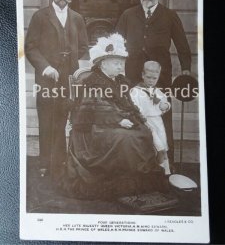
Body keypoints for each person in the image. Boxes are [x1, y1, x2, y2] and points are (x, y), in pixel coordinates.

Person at [61, 33, 167, 200]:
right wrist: (118, 120)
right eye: (117, 64)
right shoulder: (91, 81)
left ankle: (135, 180)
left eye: (122, 64)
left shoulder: (121, 81)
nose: (120, 67)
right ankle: (119, 181)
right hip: (93, 127)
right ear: (103, 64)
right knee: (124, 137)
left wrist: (138, 118)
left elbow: (129, 104)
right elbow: (90, 110)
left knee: (143, 131)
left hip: (115, 122)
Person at [115, 0, 192, 164]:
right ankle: (137, 161)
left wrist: (186, 69)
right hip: (133, 74)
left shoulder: (169, 15)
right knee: (135, 113)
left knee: (161, 114)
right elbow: (116, 41)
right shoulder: (128, 14)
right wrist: (116, 69)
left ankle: (166, 162)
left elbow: (182, 44)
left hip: (160, 76)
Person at [25, 0, 88, 179]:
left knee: (62, 119)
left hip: (68, 79)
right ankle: (45, 163)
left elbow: (84, 47)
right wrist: (47, 67)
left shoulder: (77, 18)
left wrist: (69, 66)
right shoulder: (40, 16)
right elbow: (30, 47)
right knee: (46, 118)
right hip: (46, 79)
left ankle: (60, 162)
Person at [130, 61, 171, 175]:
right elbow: (134, 108)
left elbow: (165, 102)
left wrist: (165, 106)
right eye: (148, 77)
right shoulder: (135, 91)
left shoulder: (157, 91)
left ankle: (166, 172)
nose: (151, 81)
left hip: (158, 122)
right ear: (143, 75)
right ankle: (155, 172)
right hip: (145, 122)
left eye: (154, 78)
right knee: (157, 147)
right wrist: (141, 119)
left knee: (163, 147)